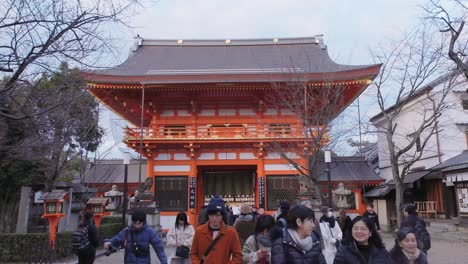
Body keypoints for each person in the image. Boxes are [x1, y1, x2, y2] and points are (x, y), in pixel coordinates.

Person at [190, 196, 243, 264]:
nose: (214, 219)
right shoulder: (199, 231)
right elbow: (193, 254)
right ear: (208, 215)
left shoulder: (231, 232)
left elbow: (238, 255)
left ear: (222, 215)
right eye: (211, 215)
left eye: (217, 215)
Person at [103, 210, 167, 264]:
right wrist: (107, 243)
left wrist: (164, 262)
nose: (137, 225)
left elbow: (159, 249)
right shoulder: (127, 231)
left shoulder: (150, 232)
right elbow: (114, 240)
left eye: (139, 223)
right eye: (135, 223)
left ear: (143, 222)